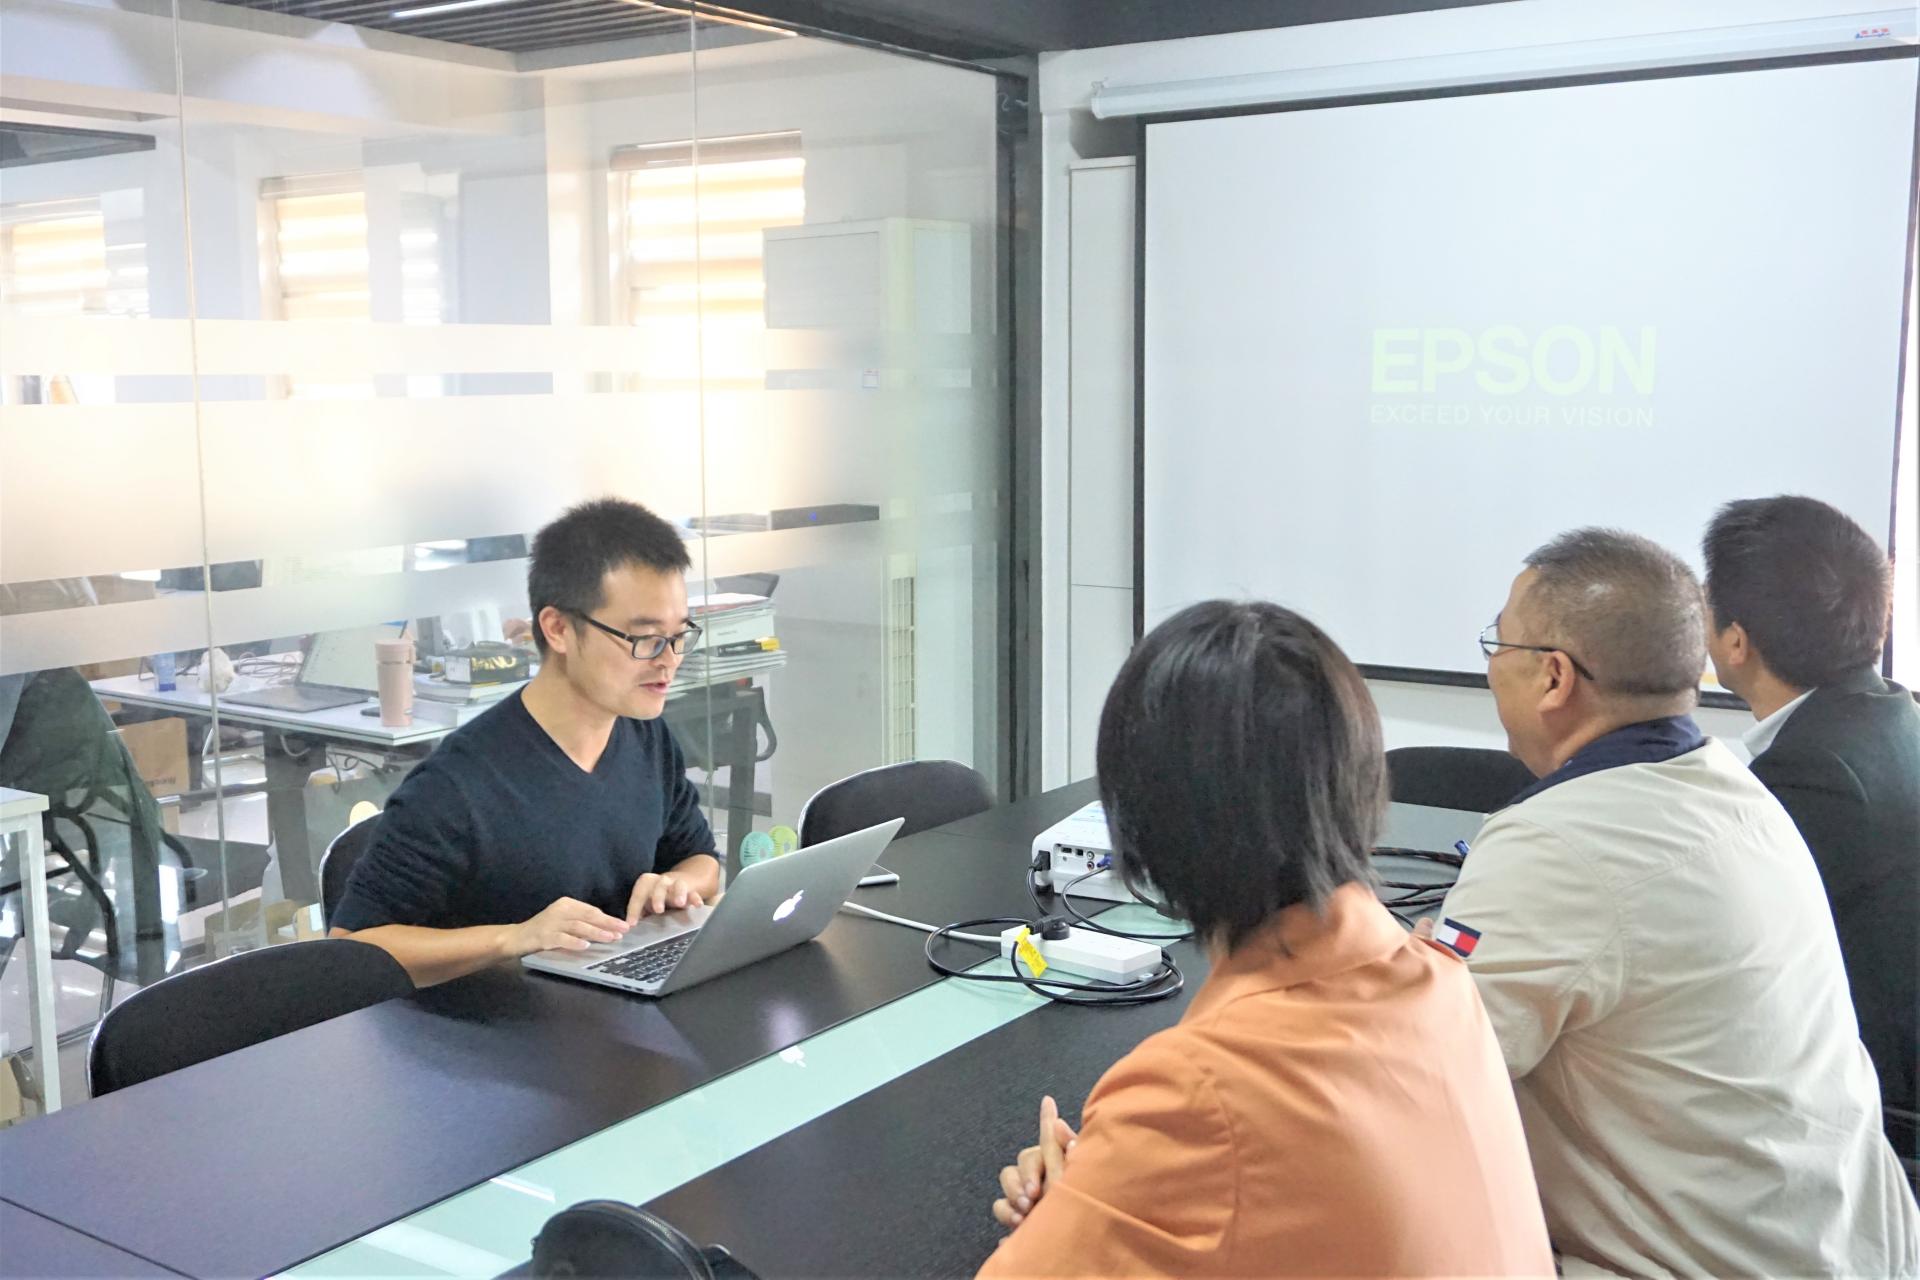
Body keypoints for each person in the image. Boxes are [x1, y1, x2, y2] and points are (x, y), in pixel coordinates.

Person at [977, 601, 1552, 1278]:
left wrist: (1080, 1206)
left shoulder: (1196, 1092)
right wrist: (1113, 1187)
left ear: (1146, 824)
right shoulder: (1440, 981)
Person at [1436, 528, 1916, 1277]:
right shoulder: (1738, 790)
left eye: (1498, 643)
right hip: (1847, 1242)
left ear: (1554, 677)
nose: (1492, 663)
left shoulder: (1559, 843)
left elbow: (1427, 1065)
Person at [330, 498, 721, 986]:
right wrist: (514, 938)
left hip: (610, 1003)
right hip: (498, 1024)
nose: (669, 660)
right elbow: (350, 947)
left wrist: (679, 883)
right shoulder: (458, 783)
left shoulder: (645, 735)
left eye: (679, 636)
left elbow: (701, 859)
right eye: (645, 639)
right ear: (558, 629)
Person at [1703, 494, 1918, 1132]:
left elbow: (1730, 956)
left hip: (1863, 1105)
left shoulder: (1811, 773)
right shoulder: (1894, 714)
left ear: (1735, 641)